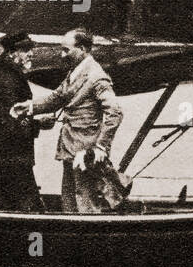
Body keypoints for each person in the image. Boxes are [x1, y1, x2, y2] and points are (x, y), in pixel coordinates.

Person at [12, 28, 125, 213]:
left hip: (85, 151)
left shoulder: (97, 77)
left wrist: (100, 147)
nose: (62, 55)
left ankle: (86, 237)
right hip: (71, 145)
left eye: (66, 50)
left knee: (84, 200)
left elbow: (115, 112)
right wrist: (30, 107)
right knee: (69, 197)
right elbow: (57, 97)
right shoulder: (76, 71)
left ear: (82, 48)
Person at [0, 31, 45, 213]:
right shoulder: (6, 77)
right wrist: (38, 124)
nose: (31, 54)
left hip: (3, 148)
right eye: (26, 50)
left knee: (8, 199)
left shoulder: (2, 72)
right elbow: (8, 118)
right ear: (13, 52)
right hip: (11, 150)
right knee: (24, 202)